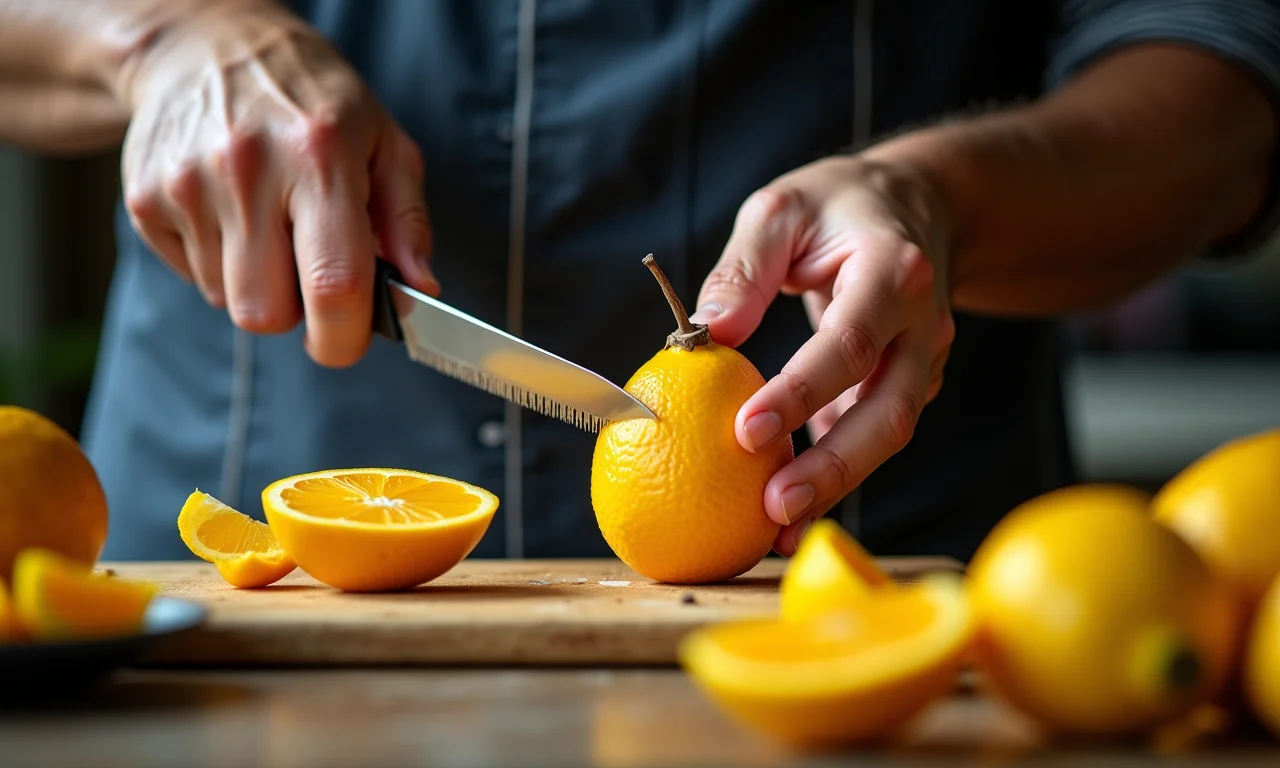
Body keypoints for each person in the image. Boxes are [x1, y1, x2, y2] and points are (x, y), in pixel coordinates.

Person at [1, 1, 1276, 565]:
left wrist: (943, 196)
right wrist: (153, 34)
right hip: (243, 619)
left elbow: (1222, 83)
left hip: (877, 624)